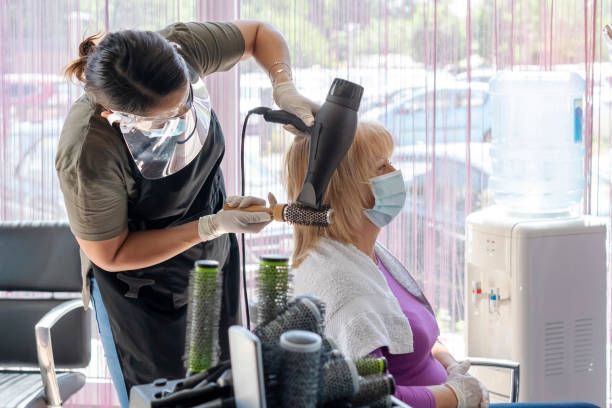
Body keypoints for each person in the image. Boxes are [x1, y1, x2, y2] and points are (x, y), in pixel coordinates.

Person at [57, 20, 318, 407]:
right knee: (168, 399)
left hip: (210, 264)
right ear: (118, 115)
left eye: (187, 102)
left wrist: (283, 85)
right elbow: (109, 254)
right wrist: (209, 225)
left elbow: (259, 35)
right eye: (168, 118)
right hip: (142, 298)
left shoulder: (178, 50)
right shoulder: (89, 152)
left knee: (229, 389)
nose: (184, 116)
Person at [283, 122, 489, 408]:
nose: (395, 173)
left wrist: (452, 367)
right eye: (381, 167)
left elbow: (414, 342)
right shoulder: (345, 288)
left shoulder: (370, 257)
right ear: (344, 191)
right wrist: (457, 395)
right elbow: (378, 400)